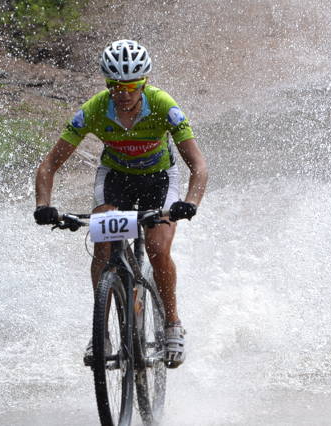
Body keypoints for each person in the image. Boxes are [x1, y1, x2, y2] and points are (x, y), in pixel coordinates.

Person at [33, 39, 207, 368]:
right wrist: (44, 205)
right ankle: (103, 331)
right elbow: (48, 165)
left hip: (159, 177)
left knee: (157, 247)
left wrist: (190, 202)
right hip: (116, 176)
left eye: (130, 85)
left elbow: (198, 165)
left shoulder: (163, 105)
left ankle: (172, 323)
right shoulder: (94, 110)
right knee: (103, 243)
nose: (123, 93)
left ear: (144, 82)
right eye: (115, 85)